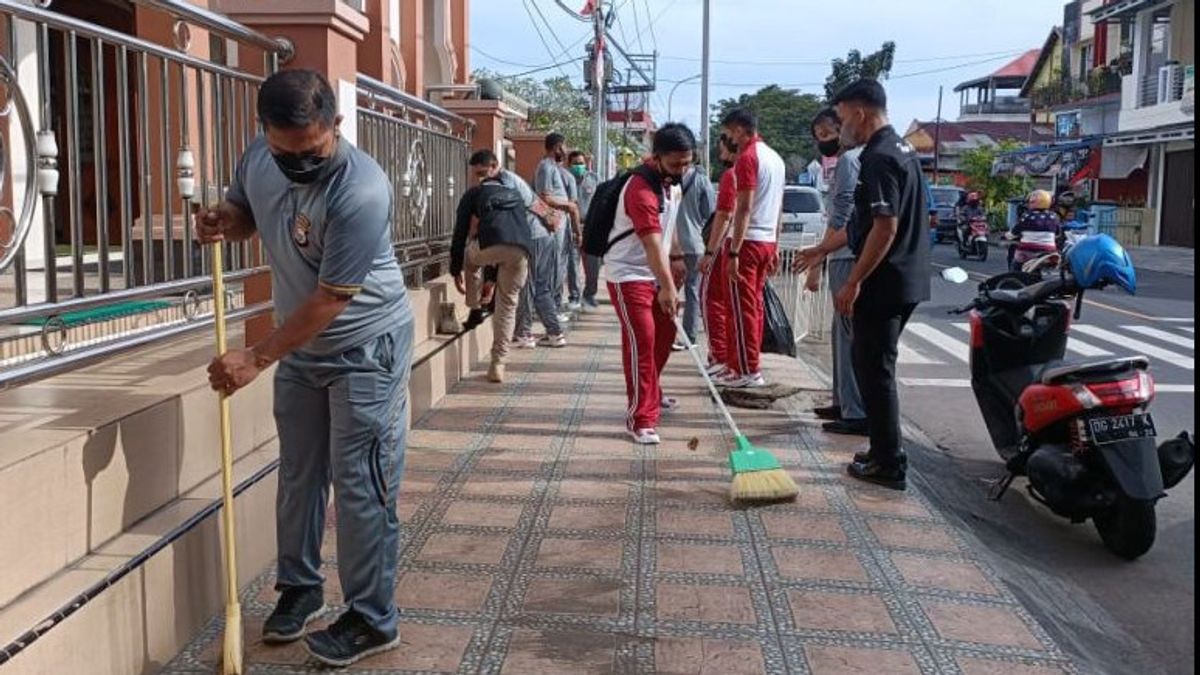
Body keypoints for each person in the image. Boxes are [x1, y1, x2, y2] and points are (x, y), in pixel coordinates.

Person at [196, 69, 413, 666]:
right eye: (284, 154)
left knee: (361, 484)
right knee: (299, 474)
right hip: (300, 347)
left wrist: (256, 356)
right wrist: (225, 221)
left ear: (335, 127)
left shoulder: (361, 188)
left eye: (312, 153)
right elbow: (247, 211)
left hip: (365, 346)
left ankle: (373, 618)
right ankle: (300, 589)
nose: (300, 167)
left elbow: (332, 297)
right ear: (264, 132)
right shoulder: (259, 158)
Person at [832, 78, 929, 490]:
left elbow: (884, 227)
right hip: (905, 276)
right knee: (871, 365)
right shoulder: (902, 148)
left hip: (885, 280)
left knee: (874, 370)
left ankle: (889, 463)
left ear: (859, 113)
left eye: (841, 120)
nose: (841, 130)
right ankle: (881, 449)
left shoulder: (879, 156)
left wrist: (853, 281)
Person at [606, 123, 694, 444]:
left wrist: (678, 257)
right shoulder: (640, 190)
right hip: (628, 274)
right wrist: (667, 286)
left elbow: (668, 231)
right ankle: (640, 418)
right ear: (656, 158)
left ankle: (652, 393)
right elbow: (651, 244)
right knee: (641, 341)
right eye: (675, 164)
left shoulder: (673, 185)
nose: (682, 170)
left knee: (665, 334)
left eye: (687, 163)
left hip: (657, 272)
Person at [801, 108, 868, 437]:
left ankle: (854, 410)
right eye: (817, 136)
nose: (822, 142)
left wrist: (818, 258)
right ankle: (843, 401)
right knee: (839, 334)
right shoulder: (853, 159)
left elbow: (841, 215)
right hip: (842, 253)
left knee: (848, 335)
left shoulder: (849, 161)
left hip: (847, 255)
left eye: (827, 134)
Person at [451, 152, 535, 383]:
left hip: (490, 248)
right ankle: (498, 363)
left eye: (480, 173)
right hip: (521, 251)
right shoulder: (515, 193)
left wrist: (454, 268)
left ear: (493, 168)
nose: (478, 178)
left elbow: (460, 233)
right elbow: (507, 234)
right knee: (507, 306)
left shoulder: (474, 193)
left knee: (470, 254)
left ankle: (475, 306)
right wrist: (491, 279)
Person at [719, 108, 785, 388]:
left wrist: (733, 250)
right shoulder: (776, 158)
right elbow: (780, 205)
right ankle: (741, 365)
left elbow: (743, 207)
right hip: (766, 239)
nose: (729, 139)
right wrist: (776, 244)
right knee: (752, 306)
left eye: (730, 133)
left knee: (740, 308)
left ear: (740, 131)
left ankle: (747, 369)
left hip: (748, 242)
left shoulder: (748, 158)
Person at [502, 149, 567, 349]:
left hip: (534, 237)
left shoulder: (506, 181)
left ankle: (523, 333)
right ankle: (555, 333)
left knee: (529, 286)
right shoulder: (511, 180)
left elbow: (534, 202)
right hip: (542, 235)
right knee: (540, 285)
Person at [698, 136, 739, 377]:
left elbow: (724, 214)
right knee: (734, 306)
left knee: (712, 299)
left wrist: (710, 251)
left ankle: (721, 356)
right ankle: (734, 360)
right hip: (751, 243)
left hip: (728, 243)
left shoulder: (732, 175)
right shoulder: (766, 168)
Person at [535, 133, 579, 326]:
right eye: (564, 147)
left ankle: (555, 306)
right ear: (557, 147)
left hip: (563, 225)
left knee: (560, 267)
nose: (566, 150)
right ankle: (551, 309)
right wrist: (568, 205)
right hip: (554, 225)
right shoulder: (545, 167)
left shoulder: (555, 168)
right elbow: (544, 197)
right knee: (553, 268)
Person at [673, 162, 717, 350]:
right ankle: (689, 337)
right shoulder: (701, 181)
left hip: (670, 244)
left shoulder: (667, 179)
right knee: (692, 291)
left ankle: (666, 334)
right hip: (695, 242)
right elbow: (710, 213)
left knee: (668, 288)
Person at [569, 151, 603, 309]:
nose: (579, 166)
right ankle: (574, 296)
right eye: (575, 163)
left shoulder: (594, 179)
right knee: (572, 265)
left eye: (581, 163)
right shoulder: (565, 179)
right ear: (569, 165)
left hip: (591, 227)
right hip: (570, 227)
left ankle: (590, 294)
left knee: (593, 264)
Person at [1008, 189, 1061, 271]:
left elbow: (1015, 232)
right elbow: (1058, 233)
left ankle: (1014, 275)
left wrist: (1008, 235)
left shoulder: (1027, 216)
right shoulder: (1054, 216)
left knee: (1016, 262)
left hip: (1027, 251)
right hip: (1049, 251)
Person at [558, 160, 584, 311]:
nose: (578, 166)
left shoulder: (566, 177)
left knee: (571, 263)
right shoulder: (565, 176)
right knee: (563, 264)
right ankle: (556, 300)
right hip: (561, 227)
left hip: (564, 227)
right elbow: (573, 208)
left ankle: (573, 296)